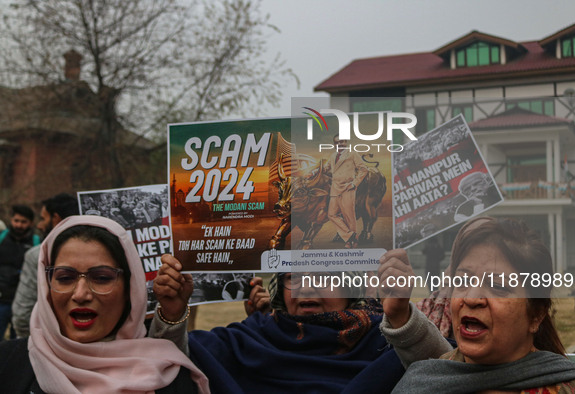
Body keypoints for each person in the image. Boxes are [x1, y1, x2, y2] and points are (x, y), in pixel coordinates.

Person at [378, 217, 575, 393]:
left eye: (497, 286)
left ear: (536, 314)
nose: (471, 299)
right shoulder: (426, 380)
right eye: (461, 281)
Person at [0, 216, 209, 393]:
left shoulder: (166, 376)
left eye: (101, 278)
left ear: (130, 289)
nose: (81, 294)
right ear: (46, 285)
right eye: (65, 278)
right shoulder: (8, 365)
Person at [151, 259, 406, 393]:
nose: (306, 287)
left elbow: (440, 364)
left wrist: (404, 316)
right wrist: (172, 315)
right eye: (293, 277)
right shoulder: (249, 340)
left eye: (324, 276)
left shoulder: (384, 342)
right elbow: (170, 364)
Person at [12, 193, 80, 338]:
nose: (40, 225)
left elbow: (22, 314)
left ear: (56, 219)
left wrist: (32, 344)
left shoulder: (36, 256)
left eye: (43, 219)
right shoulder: (100, 254)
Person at [0, 205, 39, 340]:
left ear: (30, 223)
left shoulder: (36, 243)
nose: (19, 225)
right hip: (2, 300)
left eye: (23, 222)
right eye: (16, 220)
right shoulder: (2, 238)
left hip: (24, 302)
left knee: (17, 342)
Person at [325, 135, 368, 248]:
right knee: (331, 214)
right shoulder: (333, 155)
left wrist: (354, 183)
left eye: (342, 141)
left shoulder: (352, 154)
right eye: (336, 142)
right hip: (335, 189)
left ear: (346, 142)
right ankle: (351, 236)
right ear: (334, 144)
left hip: (347, 188)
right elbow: (325, 168)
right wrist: (313, 172)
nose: (339, 144)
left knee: (349, 215)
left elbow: (364, 169)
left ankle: (351, 242)